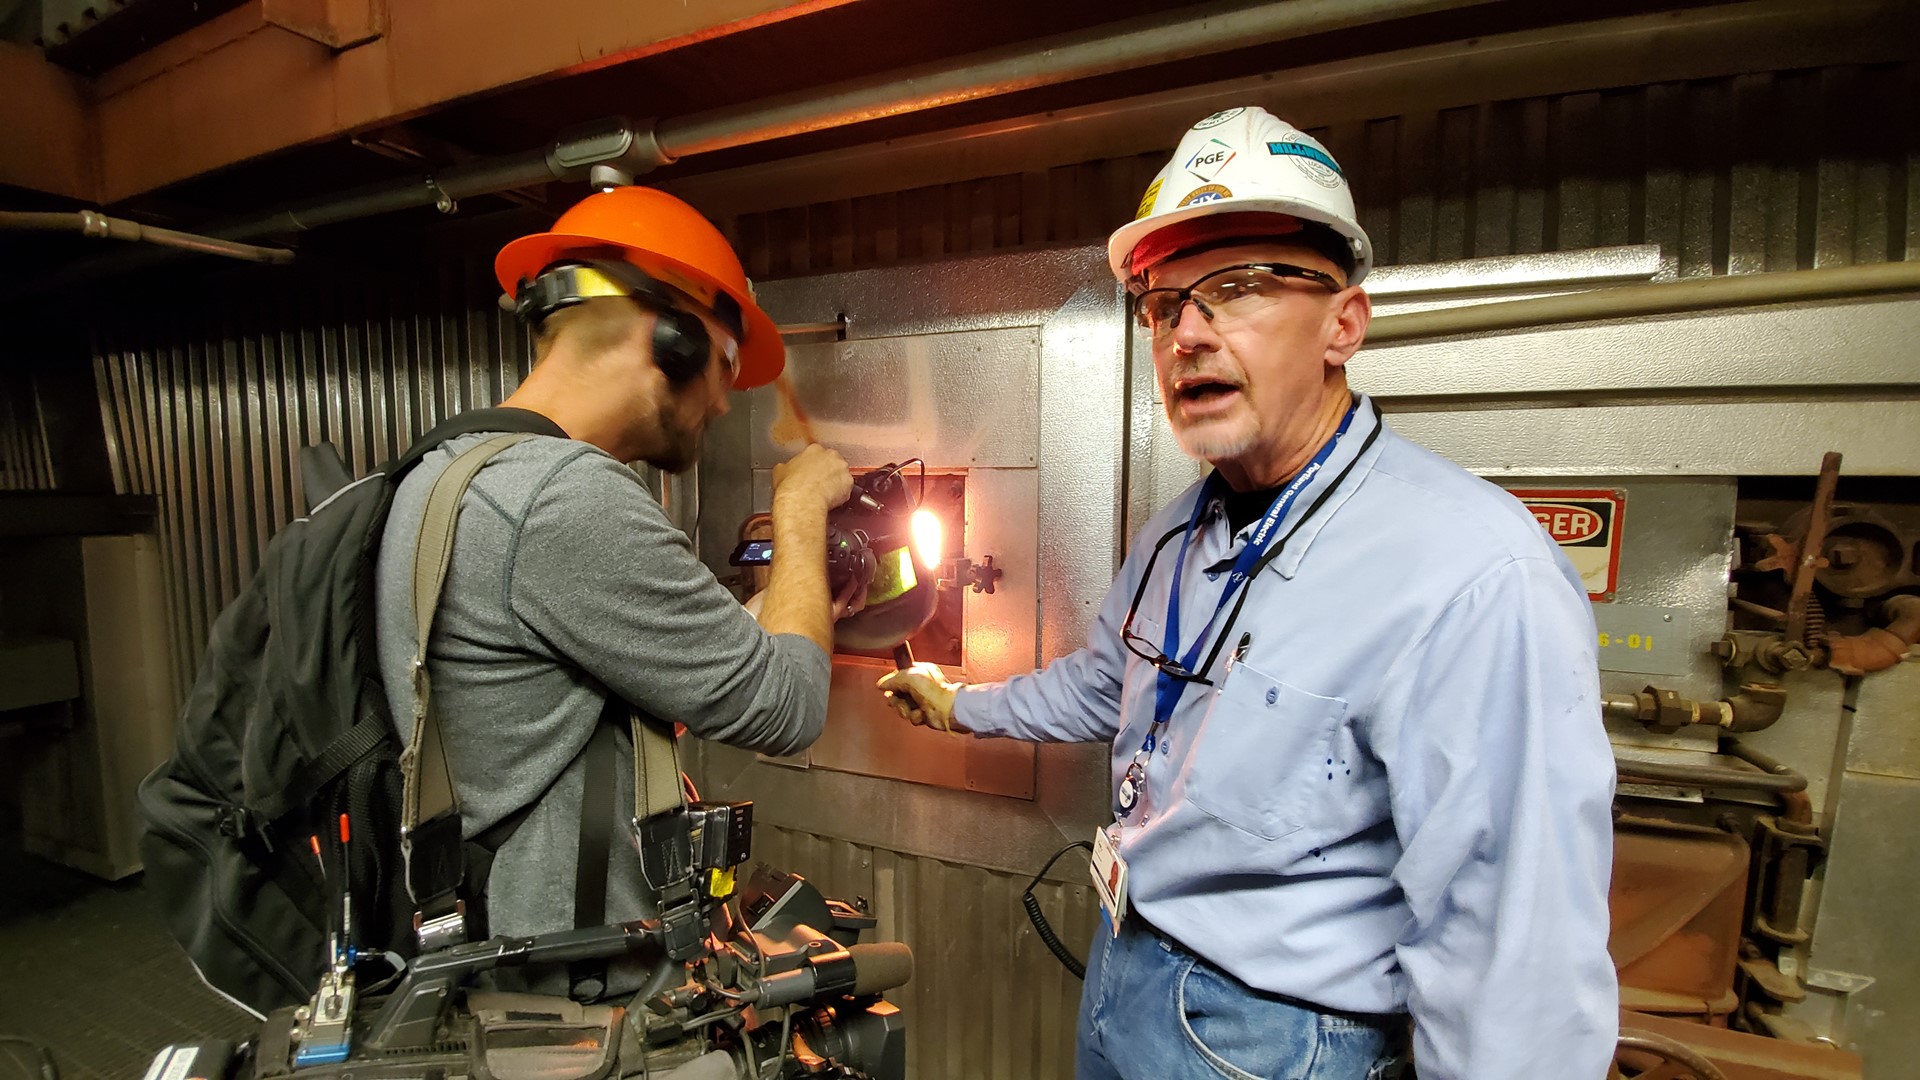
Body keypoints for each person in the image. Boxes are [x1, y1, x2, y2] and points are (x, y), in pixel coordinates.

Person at [878, 106, 1618, 1078]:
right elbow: (1104, 685)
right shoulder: (1177, 533)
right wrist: (959, 702)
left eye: (1238, 289)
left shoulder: (1470, 570)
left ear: (1342, 325)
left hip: (1284, 1035)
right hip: (1128, 968)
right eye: (1164, 302)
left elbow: (1514, 942)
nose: (1188, 332)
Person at [374, 185, 854, 994]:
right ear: (670, 335)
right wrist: (799, 508)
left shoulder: (452, 471)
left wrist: (791, 601)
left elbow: (614, 659)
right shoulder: (563, 499)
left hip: (504, 962)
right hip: (574, 998)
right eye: (727, 364)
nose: (724, 400)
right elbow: (789, 707)